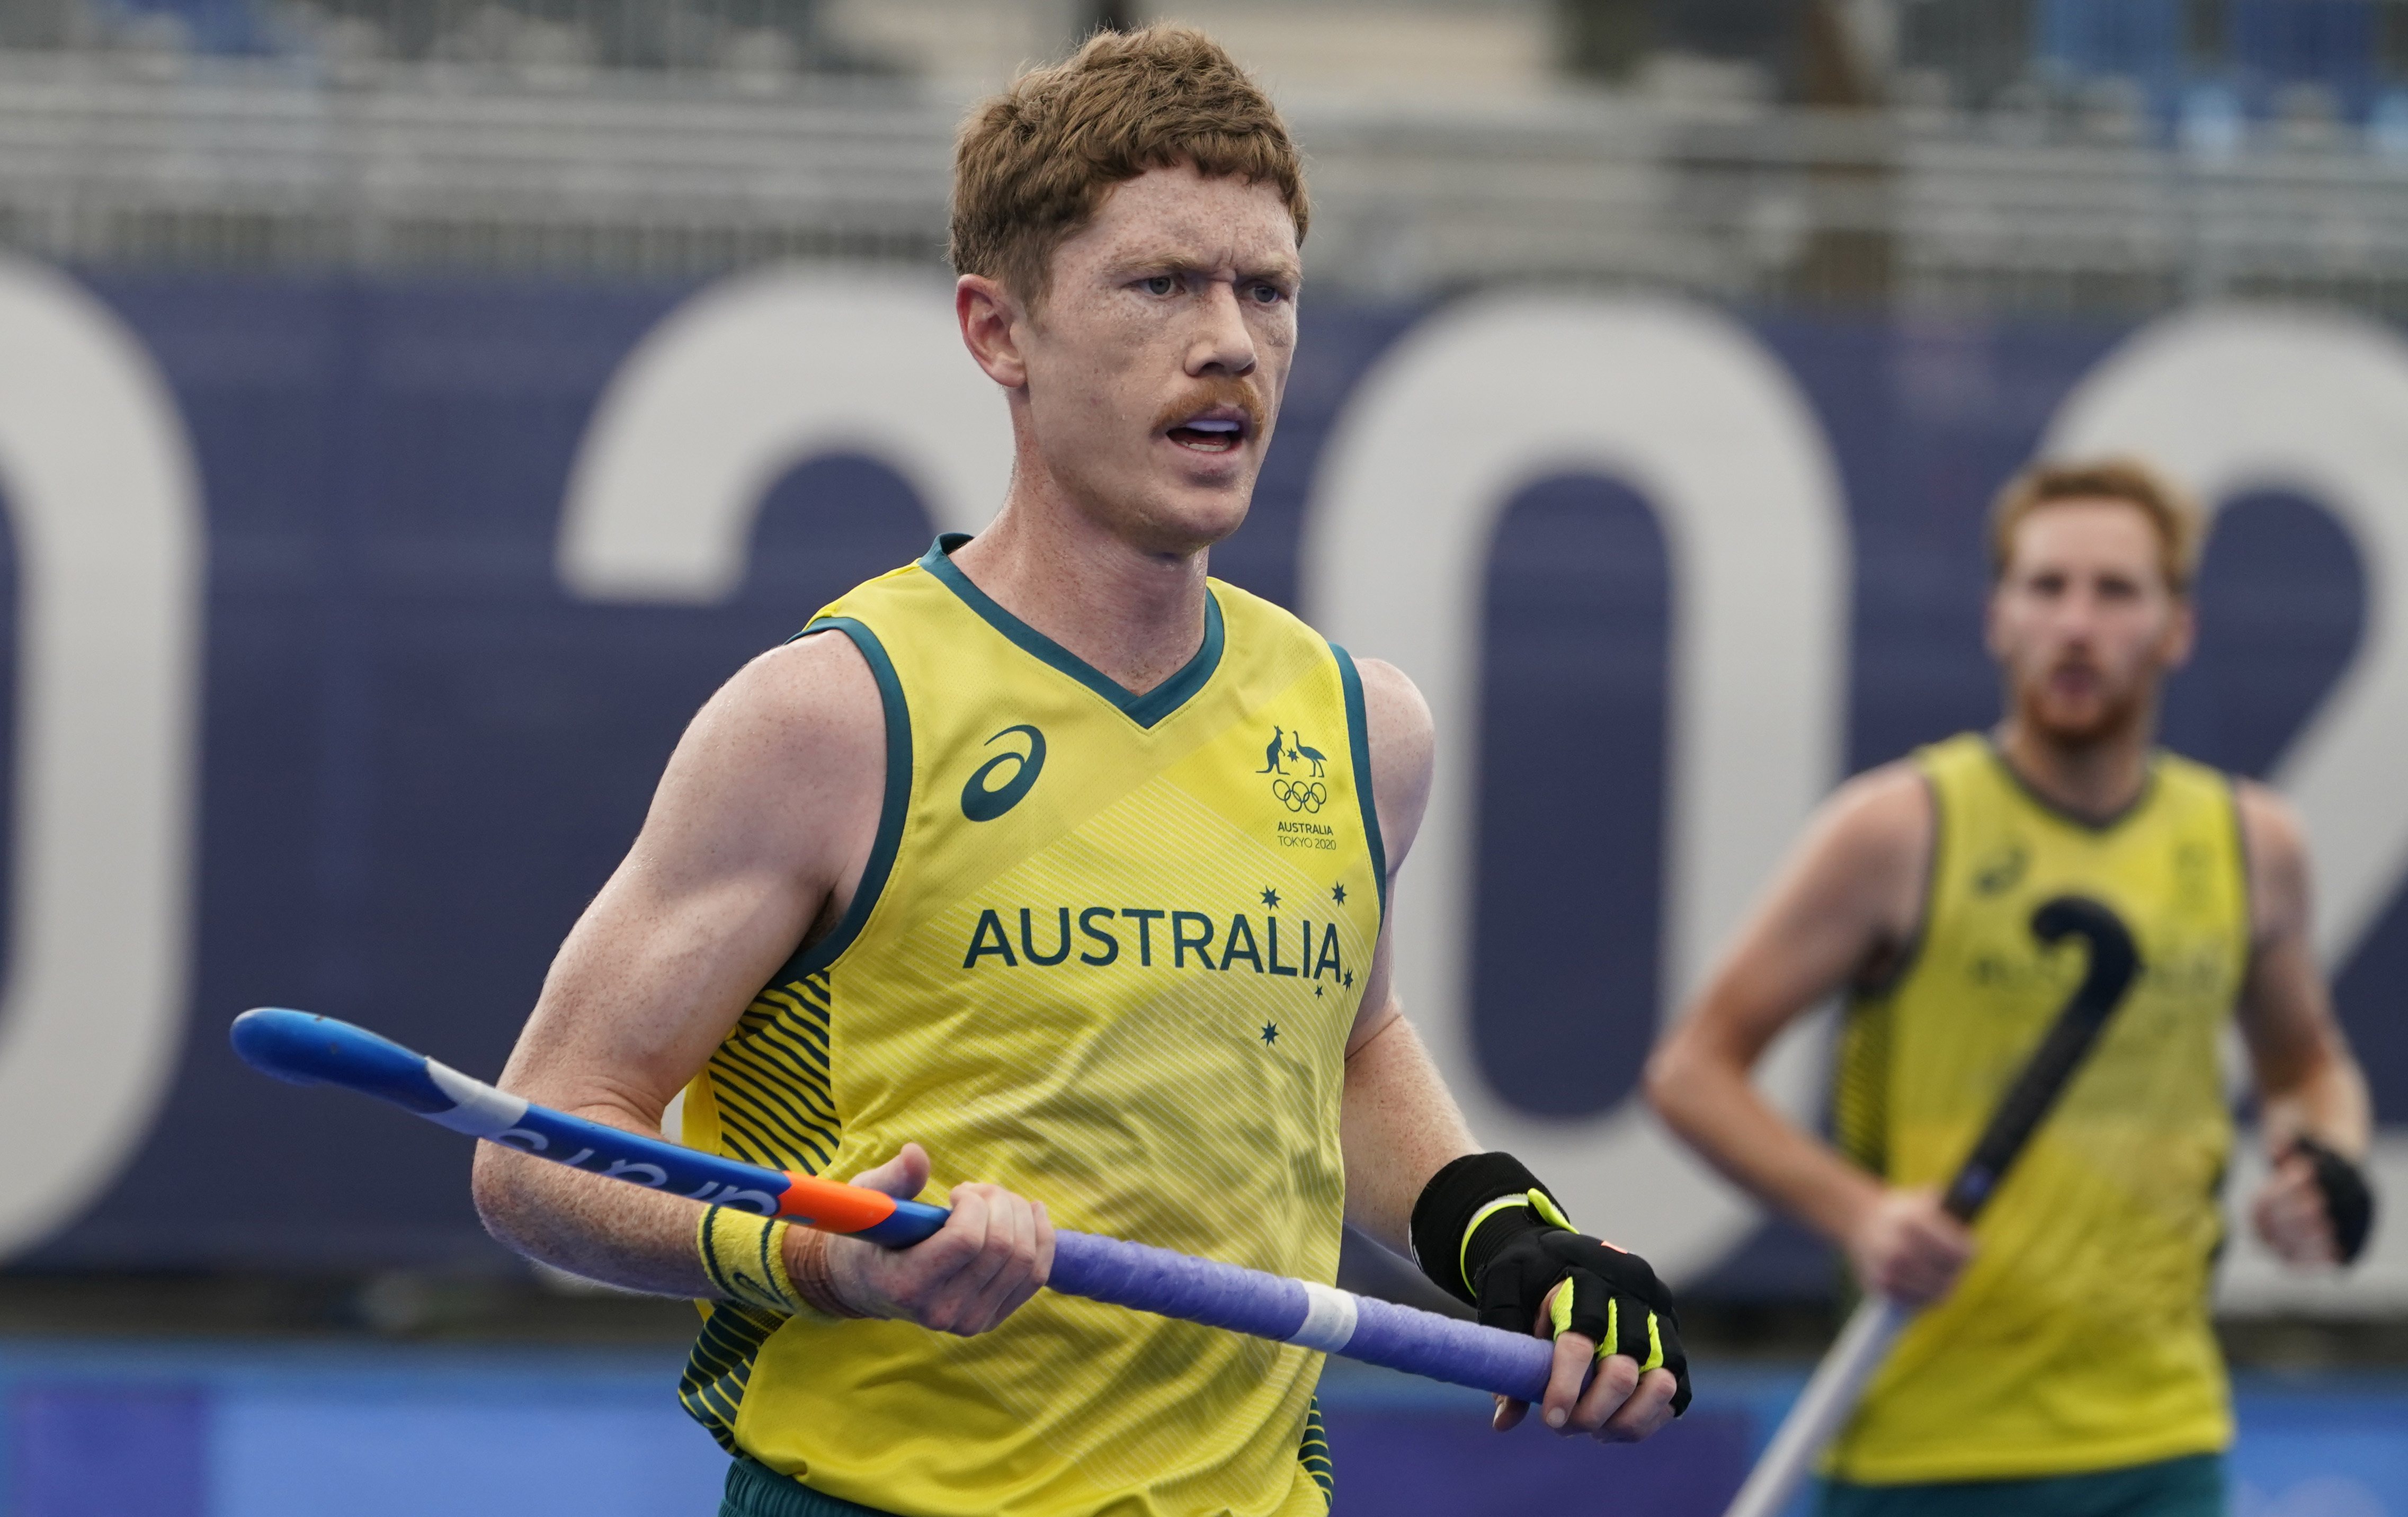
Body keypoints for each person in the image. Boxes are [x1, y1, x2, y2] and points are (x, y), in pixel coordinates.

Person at [470, 25, 1686, 1517]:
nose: (1231, 341)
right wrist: (819, 1258)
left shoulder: (1363, 729)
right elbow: (535, 1151)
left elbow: (1343, 1048)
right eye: (1163, 283)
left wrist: (1499, 1231)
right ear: (999, 332)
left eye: (1268, 289)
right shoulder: (833, 719)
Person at [1647, 458, 2377, 1515]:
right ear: (1998, 616)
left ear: (2176, 626)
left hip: (2159, 1438)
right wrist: (1860, 1213)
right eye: (2045, 588)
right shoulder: (1898, 829)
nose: (2075, 624)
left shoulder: (2247, 842)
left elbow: (2305, 1060)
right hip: (1919, 1442)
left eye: (2115, 591)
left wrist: (2324, 1159)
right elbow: (1690, 1072)